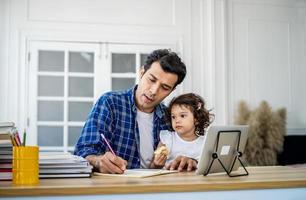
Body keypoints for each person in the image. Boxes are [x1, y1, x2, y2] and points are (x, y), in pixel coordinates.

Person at [74, 49, 196, 174]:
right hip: (115, 189)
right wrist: (98, 161)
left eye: (164, 88)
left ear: (172, 90)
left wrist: (190, 161)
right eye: (152, 80)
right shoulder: (110, 103)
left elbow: (188, 147)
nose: (154, 91)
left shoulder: (170, 117)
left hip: (159, 189)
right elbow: (83, 151)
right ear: (142, 72)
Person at [150, 93, 214, 171]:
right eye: (173, 117)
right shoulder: (167, 138)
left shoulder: (205, 143)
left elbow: (210, 168)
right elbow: (151, 167)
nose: (177, 120)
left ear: (196, 119)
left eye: (182, 116)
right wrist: (156, 165)